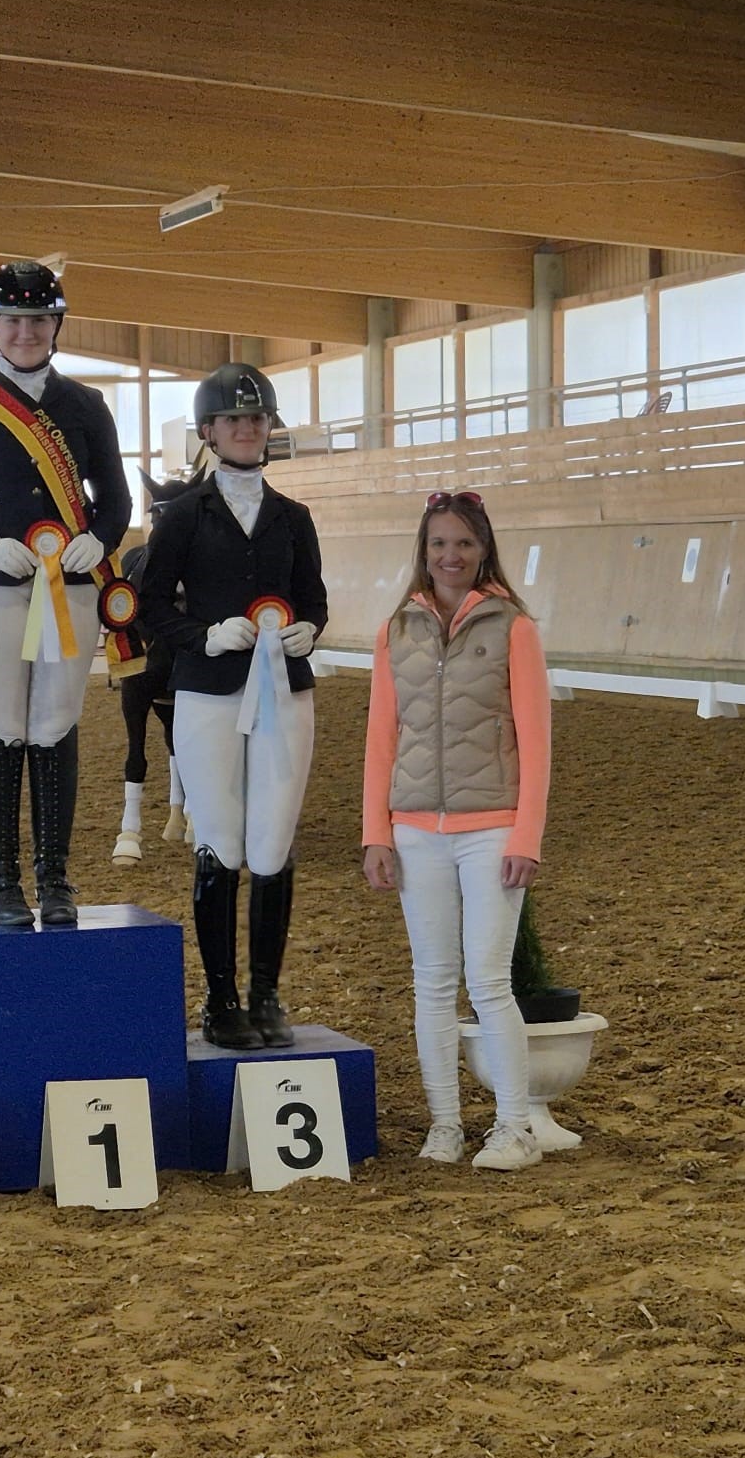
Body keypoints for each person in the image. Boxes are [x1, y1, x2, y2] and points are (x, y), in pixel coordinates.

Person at [0, 261, 131, 927]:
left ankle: (55, 877)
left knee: (56, 722)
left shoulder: (86, 406)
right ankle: (1, 880)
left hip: (71, 585)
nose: (25, 332)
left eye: (38, 320)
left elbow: (116, 498)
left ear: (56, 326)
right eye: (12, 320)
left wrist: (100, 538)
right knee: (1, 722)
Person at [361, 490, 550, 1172]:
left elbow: (536, 740)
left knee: (489, 979)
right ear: (425, 549)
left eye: (464, 543)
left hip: (492, 828)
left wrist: (526, 836)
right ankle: (445, 1125)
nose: (451, 555)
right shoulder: (395, 631)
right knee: (433, 982)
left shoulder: (515, 629)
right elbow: (382, 738)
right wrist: (376, 831)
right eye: (440, 543)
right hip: (415, 829)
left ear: (483, 549)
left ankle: (514, 1126)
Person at [140, 363, 327, 1049]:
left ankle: (267, 995)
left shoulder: (294, 518)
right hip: (209, 692)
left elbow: (313, 599)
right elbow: (151, 604)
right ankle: (221, 1001)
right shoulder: (183, 517)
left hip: (284, 691)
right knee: (220, 839)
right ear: (210, 432)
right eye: (233, 420)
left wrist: (309, 629)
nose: (247, 429)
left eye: (256, 418)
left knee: (273, 841)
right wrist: (204, 635)